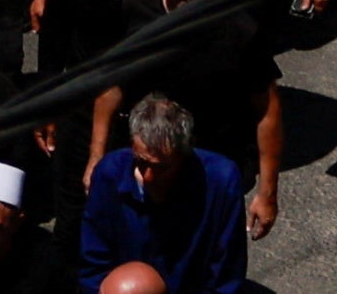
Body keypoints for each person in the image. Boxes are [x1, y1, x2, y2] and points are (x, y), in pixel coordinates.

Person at [75, 93, 246, 294]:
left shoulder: (221, 181)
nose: (148, 176)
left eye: (161, 167)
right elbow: (94, 260)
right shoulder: (110, 174)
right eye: (141, 162)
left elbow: (225, 272)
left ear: (184, 154)